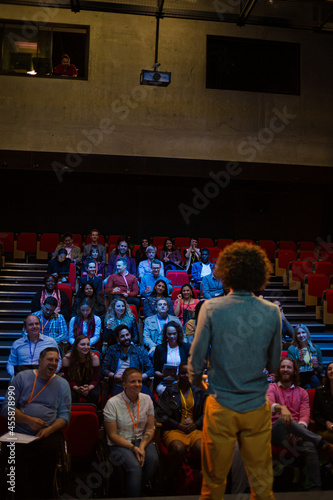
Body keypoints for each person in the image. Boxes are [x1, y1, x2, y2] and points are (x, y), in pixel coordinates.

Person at [188, 241, 281, 500]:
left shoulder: (211, 308)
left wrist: (200, 383)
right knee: (261, 483)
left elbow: (195, 363)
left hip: (220, 406)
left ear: (226, 273)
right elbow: (274, 365)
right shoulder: (272, 311)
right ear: (258, 274)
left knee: (214, 483)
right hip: (255, 406)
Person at [1, 347, 71, 499]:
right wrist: (28, 420)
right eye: (50, 359)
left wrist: (50, 430)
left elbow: (65, 417)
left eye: (57, 360)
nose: (53, 363)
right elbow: (6, 408)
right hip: (19, 433)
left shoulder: (63, 384)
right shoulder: (20, 378)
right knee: (17, 458)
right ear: (40, 361)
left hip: (47, 433)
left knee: (49, 453)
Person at [267, 357, 333, 491]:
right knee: (283, 418)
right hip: (276, 431)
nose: (285, 370)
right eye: (283, 367)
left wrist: (301, 427)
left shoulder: (302, 392)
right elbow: (268, 404)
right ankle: (319, 440)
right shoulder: (271, 387)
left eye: (289, 367)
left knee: (309, 446)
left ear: (294, 371)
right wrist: (282, 408)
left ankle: (315, 488)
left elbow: (305, 414)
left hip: (297, 434)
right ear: (279, 370)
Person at [104, 367, 158, 497]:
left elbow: (150, 428)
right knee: (135, 468)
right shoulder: (112, 403)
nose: (137, 384)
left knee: (153, 459)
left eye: (139, 381)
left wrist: (142, 446)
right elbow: (112, 435)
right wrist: (134, 448)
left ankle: (136, 487)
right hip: (121, 442)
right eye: (133, 381)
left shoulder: (147, 399)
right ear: (124, 385)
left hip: (141, 439)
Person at [156, 362, 206, 483]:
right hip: (175, 429)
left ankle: (196, 477)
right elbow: (160, 415)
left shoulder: (199, 392)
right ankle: (169, 477)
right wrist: (177, 425)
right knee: (178, 449)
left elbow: (206, 414)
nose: (186, 376)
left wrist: (195, 424)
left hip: (194, 429)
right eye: (183, 373)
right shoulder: (169, 391)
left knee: (202, 449)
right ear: (178, 374)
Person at [101, 326, 154, 398]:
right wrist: (116, 376)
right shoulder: (112, 350)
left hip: (136, 383)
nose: (126, 338)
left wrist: (139, 377)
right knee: (122, 401)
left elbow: (151, 370)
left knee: (149, 399)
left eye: (127, 335)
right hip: (119, 383)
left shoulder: (140, 350)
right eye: (122, 336)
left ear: (130, 335)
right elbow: (104, 369)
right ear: (117, 339)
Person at [153, 322, 190, 394]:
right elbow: (155, 369)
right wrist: (162, 375)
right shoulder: (160, 348)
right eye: (169, 334)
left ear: (178, 334)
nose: (172, 336)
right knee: (162, 390)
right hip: (165, 380)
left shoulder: (186, 347)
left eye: (174, 334)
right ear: (166, 334)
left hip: (181, 380)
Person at [62, 335, 100, 405]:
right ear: (76, 347)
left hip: (89, 384)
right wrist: (77, 388)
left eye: (88, 344)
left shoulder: (94, 357)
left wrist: (89, 388)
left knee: (95, 394)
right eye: (83, 345)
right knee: (72, 395)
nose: (86, 347)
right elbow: (68, 378)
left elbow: (95, 378)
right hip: (73, 384)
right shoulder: (67, 359)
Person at [287, 324, 323, 388]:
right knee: (309, 384)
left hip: (312, 375)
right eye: (298, 333)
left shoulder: (315, 348)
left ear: (307, 334)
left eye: (303, 332)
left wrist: (316, 366)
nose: (301, 335)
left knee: (312, 380)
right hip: (299, 376)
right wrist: (299, 359)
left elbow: (321, 368)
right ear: (296, 336)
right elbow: (290, 368)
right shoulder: (292, 349)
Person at [313, 362, 333, 443]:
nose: (332, 371)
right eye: (329, 369)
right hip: (325, 429)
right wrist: (326, 423)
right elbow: (316, 415)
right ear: (326, 373)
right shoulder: (320, 391)